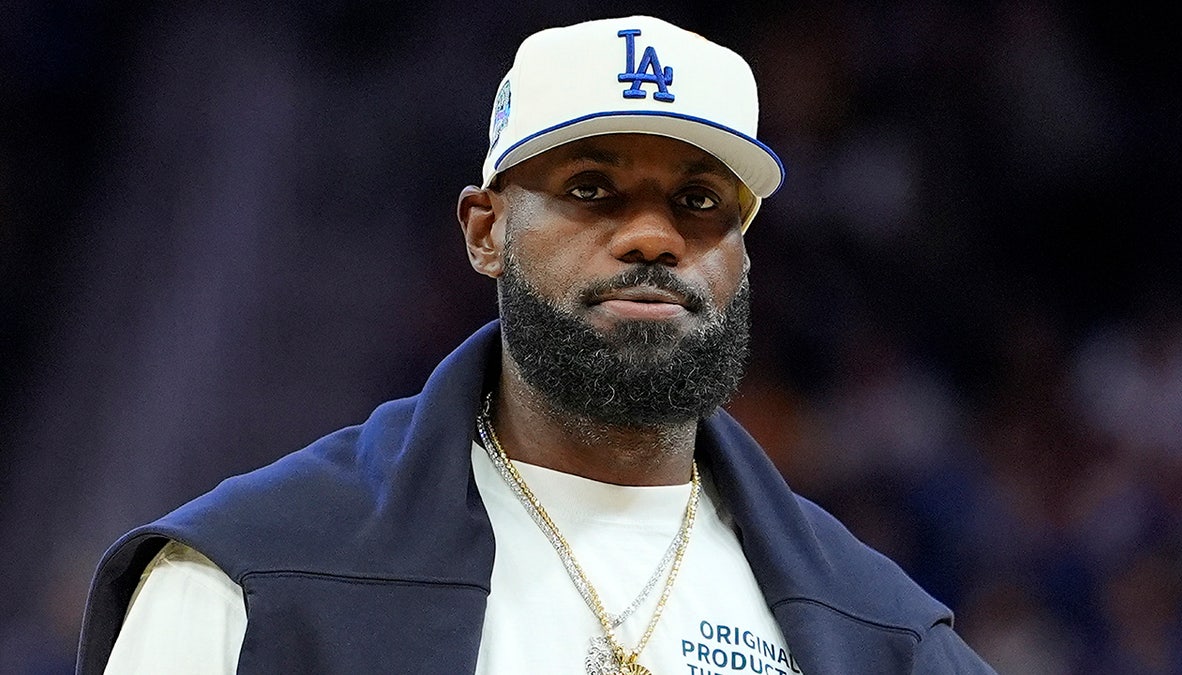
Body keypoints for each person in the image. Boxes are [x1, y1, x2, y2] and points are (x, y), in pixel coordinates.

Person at [77, 15, 994, 674]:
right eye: (591, 189)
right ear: (485, 231)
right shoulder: (241, 585)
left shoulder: (889, 638)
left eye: (699, 201)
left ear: (743, 257)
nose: (653, 237)